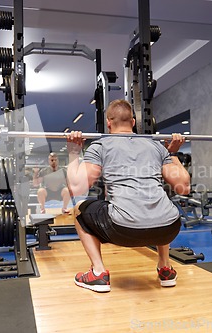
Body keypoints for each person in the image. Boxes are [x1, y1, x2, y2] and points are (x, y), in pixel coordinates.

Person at [66, 99, 191, 293]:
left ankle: (98, 273)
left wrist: (74, 152)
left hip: (123, 230)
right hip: (169, 228)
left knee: (79, 209)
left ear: (108, 122)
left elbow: (76, 188)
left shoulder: (100, 146)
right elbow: (183, 187)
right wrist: (172, 153)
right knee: (159, 203)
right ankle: (165, 268)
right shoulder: (157, 147)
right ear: (133, 122)